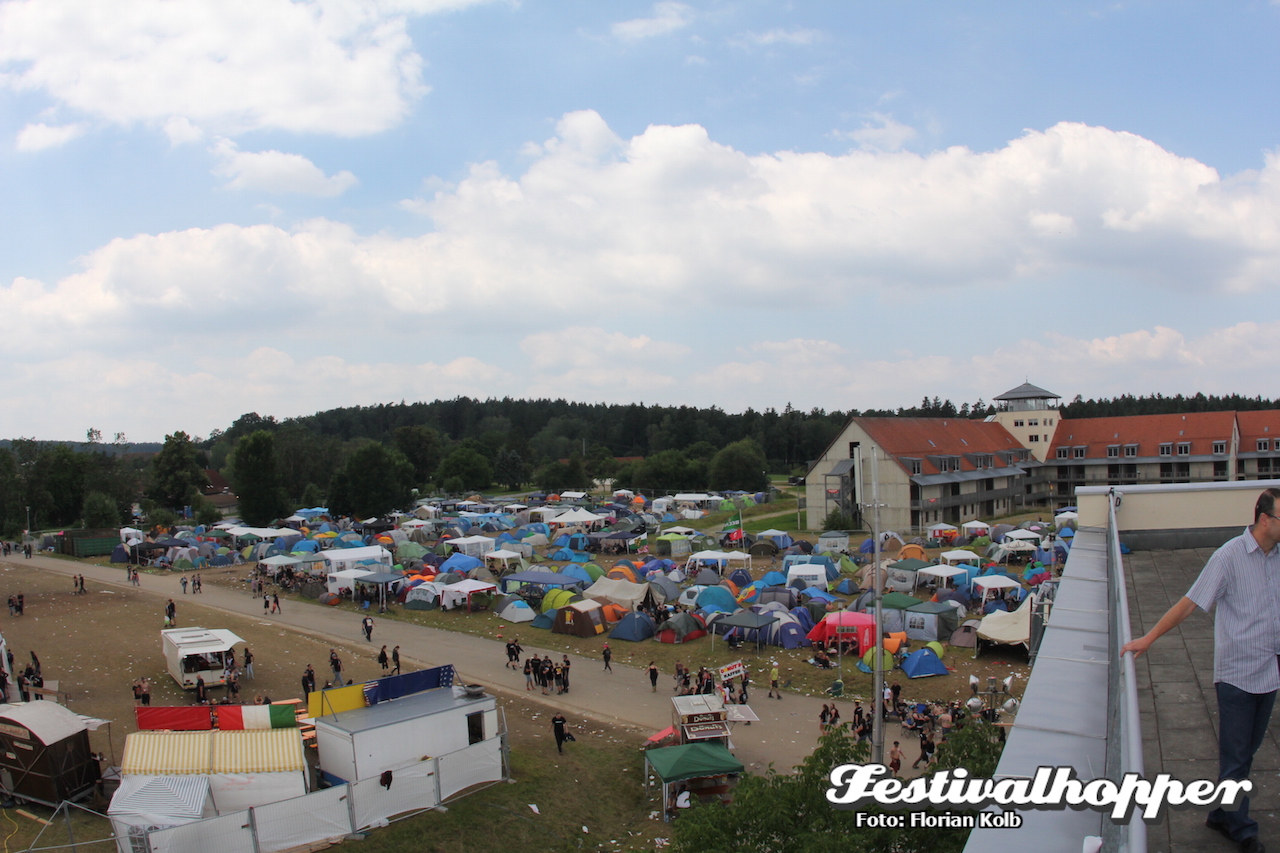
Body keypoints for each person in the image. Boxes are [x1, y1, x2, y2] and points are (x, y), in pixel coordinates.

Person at [1123, 488, 1280, 853]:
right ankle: (1242, 829)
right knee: (1237, 755)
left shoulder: (1277, 558)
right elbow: (1190, 602)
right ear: (1264, 519)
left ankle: (1222, 813)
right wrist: (1149, 638)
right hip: (1237, 676)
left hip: (1269, 672)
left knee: (1246, 751)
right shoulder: (1228, 557)